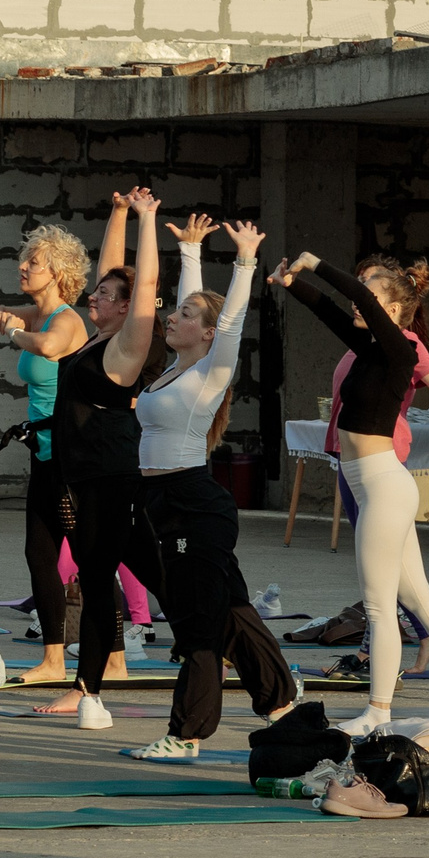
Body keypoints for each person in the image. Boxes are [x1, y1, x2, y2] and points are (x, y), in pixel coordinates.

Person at [273, 249, 429, 735]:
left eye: (370, 295)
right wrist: (290, 284)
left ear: (392, 310)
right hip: (371, 485)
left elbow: (352, 298)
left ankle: (379, 711)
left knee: (377, 605)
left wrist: (317, 264)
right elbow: (328, 309)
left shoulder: (400, 346)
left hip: (383, 486)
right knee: (420, 599)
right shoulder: (369, 345)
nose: (359, 302)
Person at [109, 214, 296, 763]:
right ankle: (282, 699)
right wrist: (191, 251)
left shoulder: (211, 372)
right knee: (229, 605)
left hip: (193, 503)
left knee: (196, 618)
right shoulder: (175, 368)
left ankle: (188, 733)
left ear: (208, 334)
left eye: (185, 314)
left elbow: (228, 320)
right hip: (162, 502)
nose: (173, 315)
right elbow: (200, 309)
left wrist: (244, 261)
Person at [30, 189, 172, 726]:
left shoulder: (129, 346)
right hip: (88, 479)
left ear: (126, 306)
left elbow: (145, 286)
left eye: (104, 294)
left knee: (104, 576)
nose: (93, 297)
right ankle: (88, 687)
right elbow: (118, 273)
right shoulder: (97, 340)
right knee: (152, 576)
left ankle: (89, 689)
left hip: (112, 480)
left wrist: (148, 219)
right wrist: (116, 214)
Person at [0, 223, 91, 687]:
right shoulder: (36, 312)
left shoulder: (66, 320)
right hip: (44, 455)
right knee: (38, 554)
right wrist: (5, 319)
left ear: (59, 272)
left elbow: (49, 348)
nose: (23, 267)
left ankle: (117, 653)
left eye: (34, 262)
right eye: (24, 259)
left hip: (72, 458)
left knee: (94, 557)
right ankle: (53, 659)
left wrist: (15, 333)